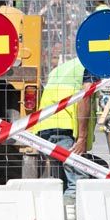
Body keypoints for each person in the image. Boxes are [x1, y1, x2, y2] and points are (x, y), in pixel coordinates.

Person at [34, 57, 99, 196]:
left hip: (44, 128)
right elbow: (85, 96)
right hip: (63, 130)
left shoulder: (65, 68)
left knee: (62, 181)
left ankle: (59, 213)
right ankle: (73, 216)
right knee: (78, 183)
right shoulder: (91, 65)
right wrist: (82, 138)